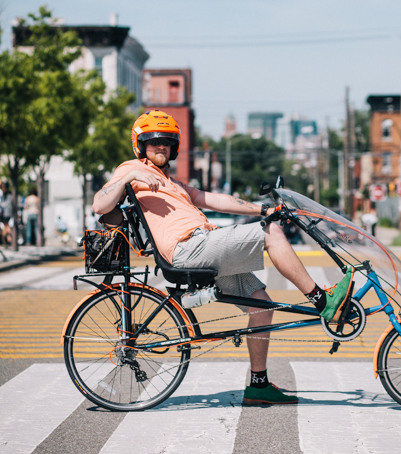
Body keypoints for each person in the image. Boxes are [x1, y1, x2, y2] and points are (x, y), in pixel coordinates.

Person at [93, 110, 354, 406]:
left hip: (206, 249)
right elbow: (100, 204)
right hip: (189, 248)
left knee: (261, 304)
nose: (161, 147)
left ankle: (258, 385)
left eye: (167, 142)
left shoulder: (174, 185)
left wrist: (263, 210)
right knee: (272, 234)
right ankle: (322, 300)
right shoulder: (132, 169)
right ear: (140, 145)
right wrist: (129, 175)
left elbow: (216, 199)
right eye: (154, 142)